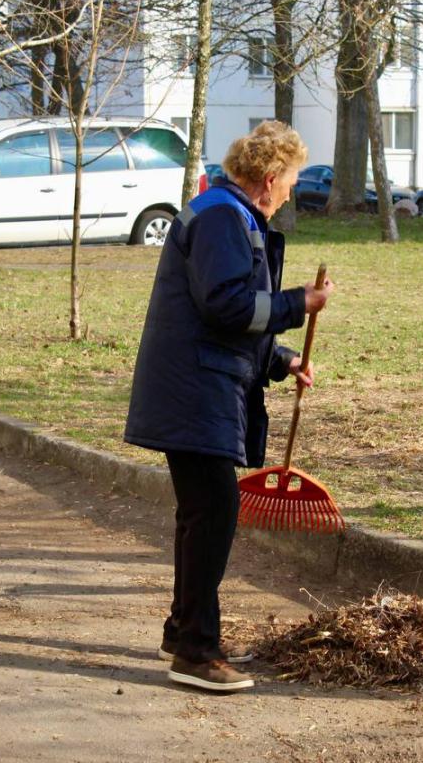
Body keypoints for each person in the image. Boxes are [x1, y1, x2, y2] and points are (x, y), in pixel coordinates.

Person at [124, 121, 333, 693]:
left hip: (198, 381)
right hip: (194, 389)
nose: (291, 190)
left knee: (201, 512)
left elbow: (224, 314)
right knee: (213, 511)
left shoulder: (229, 213)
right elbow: (226, 306)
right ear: (269, 179)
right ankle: (196, 651)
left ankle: (182, 631)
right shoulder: (222, 218)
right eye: (291, 180)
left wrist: (280, 359)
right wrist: (298, 303)